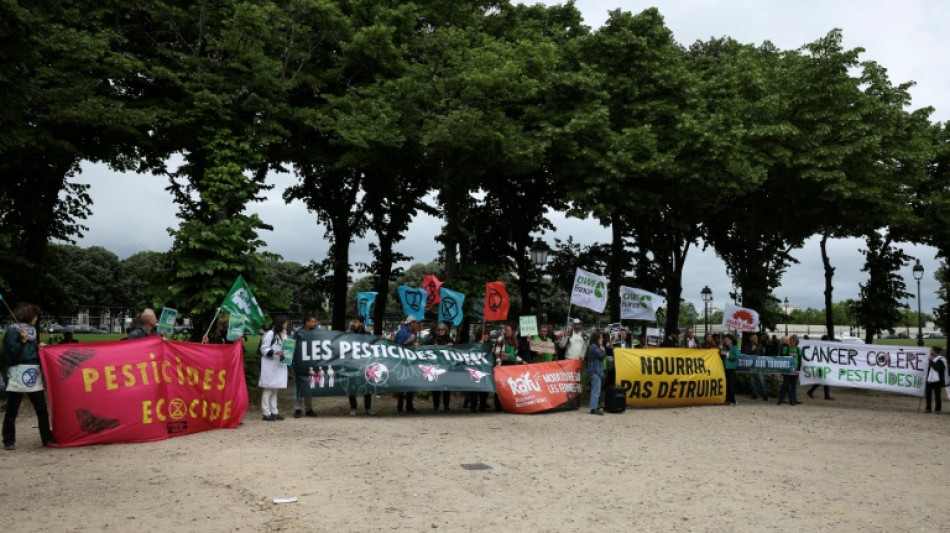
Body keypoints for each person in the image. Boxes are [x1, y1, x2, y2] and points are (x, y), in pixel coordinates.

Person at [3, 303, 55, 450]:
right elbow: (11, 353)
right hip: (18, 373)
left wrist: (38, 347)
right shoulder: (13, 332)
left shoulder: (31, 331)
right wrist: (24, 341)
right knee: (13, 408)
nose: (36, 319)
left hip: (33, 372)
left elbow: (31, 350)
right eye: (35, 316)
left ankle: (46, 438)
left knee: (41, 408)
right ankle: (8, 439)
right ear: (28, 317)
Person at [259, 316, 289, 421]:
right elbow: (263, 349)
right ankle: (266, 412)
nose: (287, 324)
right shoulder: (270, 334)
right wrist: (275, 352)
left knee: (275, 389)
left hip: (278, 365)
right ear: (280, 323)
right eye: (285, 323)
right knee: (268, 389)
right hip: (270, 364)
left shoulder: (283, 335)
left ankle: (274, 411)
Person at [346, 316, 376, 416]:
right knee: (351, 385)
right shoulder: (348, 334)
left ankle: (368, 407)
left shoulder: (366, 334)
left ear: (361, 323)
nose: (354, 324)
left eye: (356, 322)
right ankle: (353, 407)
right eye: (353, 321)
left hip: (364, 363)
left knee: (367, 385)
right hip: (352, 363)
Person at [292, 316, 319, 418]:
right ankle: (298, 409)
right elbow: (292, 347)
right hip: (299, 362)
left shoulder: (316, 332)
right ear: (307, 322)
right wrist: (292, 365)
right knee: (298, 386)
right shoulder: (297, 333)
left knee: (309, 386)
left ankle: (309, 408)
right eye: (313, 321)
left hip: (310, 363)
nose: (314, 323)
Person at [394, 316, 419, 413]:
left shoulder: (412, 333)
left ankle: (409, 405)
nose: (417, 325)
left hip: (410, 362)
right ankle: (400, 406)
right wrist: (408, 342)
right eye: (415, 323)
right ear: (411, 323)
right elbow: (397, 346)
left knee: (411, 383)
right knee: (402, 383)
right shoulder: (402, 332)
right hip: (402, 362)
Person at [429, 322, 454, 411]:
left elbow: (456, 350)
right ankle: (436, 405)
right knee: (436, 386)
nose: (441, 331)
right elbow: (426, 348)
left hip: (446, 366)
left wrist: (451, 346)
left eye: (442, 329)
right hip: (436, 365)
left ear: (445, 330)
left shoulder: (450, 339)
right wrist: (432, 346)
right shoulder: (432, 339)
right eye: (439, 329)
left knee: (446, 386)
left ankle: (446, 405)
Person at [777, 335, 802, 406]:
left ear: (796, 341)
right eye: (791, 340)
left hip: (795, 369)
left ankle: (792, 400)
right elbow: (782, 357)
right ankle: (780, 399)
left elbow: (800, 361)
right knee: (785, 385)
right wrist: (790, 355)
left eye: (793, 340)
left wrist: (798, 370)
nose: (791, 341)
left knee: (793, 385)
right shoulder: (785, 348)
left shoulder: (799, 350)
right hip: (787, 369)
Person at [744, 333, 769, 401]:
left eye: (756, 338)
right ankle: (754, 394)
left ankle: (765, 395)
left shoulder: (760, 346)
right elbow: (747, 355)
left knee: (761, 380)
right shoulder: (747, 346)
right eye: (754, 338)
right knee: (752, 381)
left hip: (759, 366)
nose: (756, 339)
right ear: (751, 339)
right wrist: (752, 350)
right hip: (751, 366)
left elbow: (762, 355)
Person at [587, 332, 606, 415]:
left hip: (595, 371)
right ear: (596, 339)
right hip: (595, 371)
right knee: (596, 390)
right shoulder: (594, 347)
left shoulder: (593, 347)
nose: (602, 340)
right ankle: (593, 408)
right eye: (601, 338)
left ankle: (594, 406)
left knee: (595, 389)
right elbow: (602, 356)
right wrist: (603, 350)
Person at [925, 346, 947, 414]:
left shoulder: (941, 359)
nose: (930, 351)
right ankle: (928, 408)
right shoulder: (931, 358)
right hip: (930, 379)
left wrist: (931, 361)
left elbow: (937, 368)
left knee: (937, 395)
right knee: (928, 395)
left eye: (932, 350)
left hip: (937, 380)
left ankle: (938, 409)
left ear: (935, 351)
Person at [721, 334, 739, 405]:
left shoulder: (735, 348)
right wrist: (722, 350)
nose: (726, 341)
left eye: (727, 340)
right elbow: (721, 354)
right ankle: (726, 399)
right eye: (725, 340)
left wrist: (727, 354)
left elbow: (736, 357)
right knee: (726, 384)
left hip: (731, 368)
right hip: (724, 368)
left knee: (731, 384)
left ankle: (732, 400)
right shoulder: (725, 348)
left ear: (731, 340)